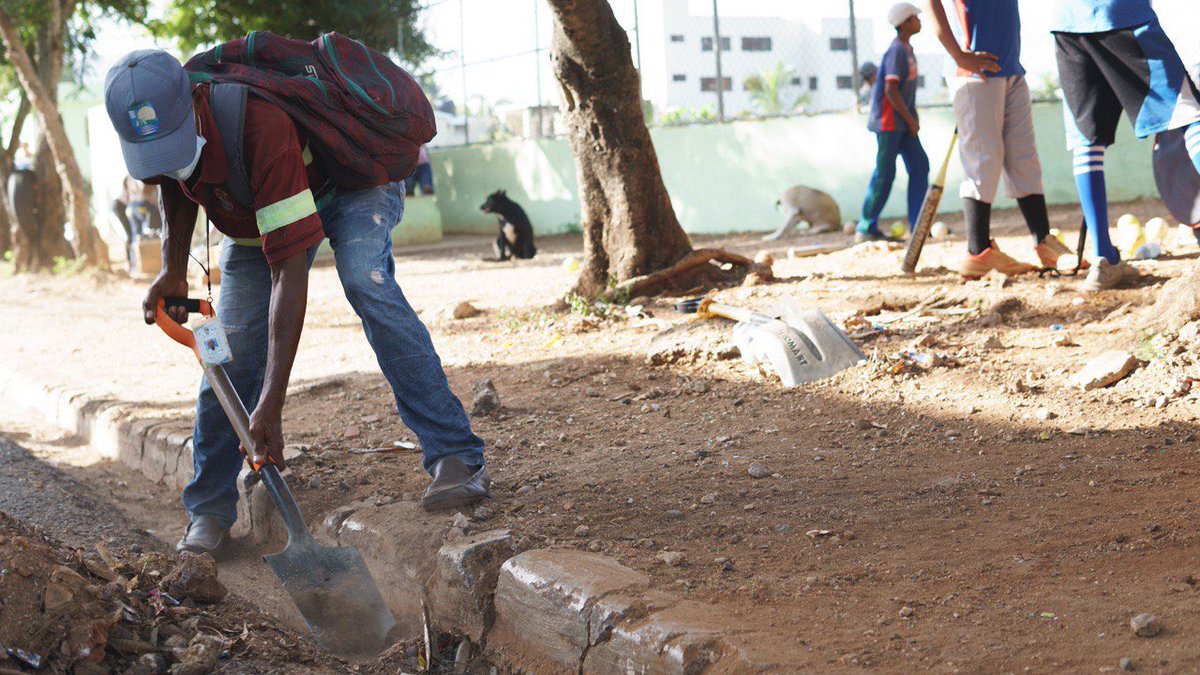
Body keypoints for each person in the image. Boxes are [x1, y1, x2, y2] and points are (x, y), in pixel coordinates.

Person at [103, 49, 488, 554]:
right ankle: (209, 509)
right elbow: (174, 181)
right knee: (232, 346)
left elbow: (289, 267)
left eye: (176, 141)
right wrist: (173, 268)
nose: (169, 158)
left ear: (195, 102)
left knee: (365, 281)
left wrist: (271, 403)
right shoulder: (169, 122)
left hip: (347, 185)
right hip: (255, 210)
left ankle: (454, 453)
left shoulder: (258, 124)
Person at [1053, 0, 1200, 290]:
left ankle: (1103, 260)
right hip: (1120, 12)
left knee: (1086, 142)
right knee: (1190, 114)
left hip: (1066, 24)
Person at [926, 0, 1075, 278]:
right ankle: (978, 251)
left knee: (1024, 157)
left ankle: (1044, 241)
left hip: (1010, 67)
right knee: (983, 159)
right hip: (974, 71)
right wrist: (958, 55)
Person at [856, 3, 930, 243]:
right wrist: (910, 120)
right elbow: (891, 90)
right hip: (890, 123)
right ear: (905, 22)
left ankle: (918, 225)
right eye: (916, 19)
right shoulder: (897, 50)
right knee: (885, 173)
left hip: (904, 122)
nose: (920, 22)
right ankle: (866, 227)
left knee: (920, 166)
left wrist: (913, 117)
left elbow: (906, 92)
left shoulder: (908, 49)